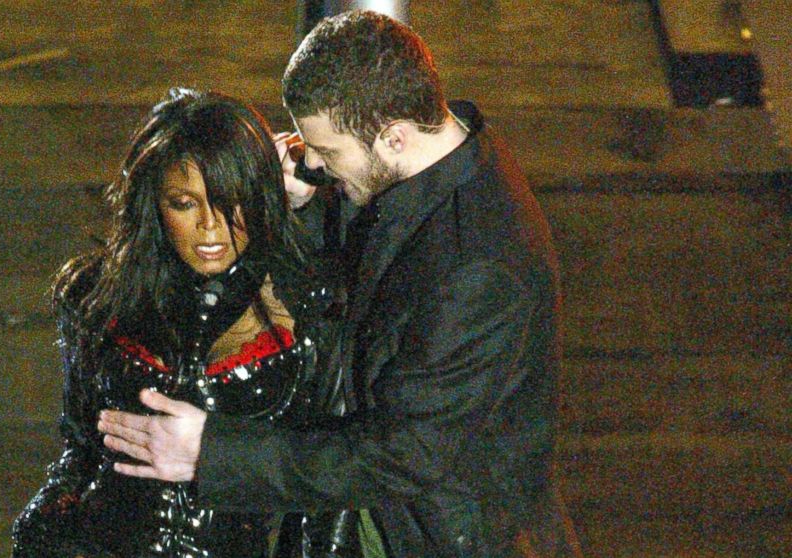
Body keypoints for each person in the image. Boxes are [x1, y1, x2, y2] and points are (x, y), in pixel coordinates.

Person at [96, 11, 583, 557]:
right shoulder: (432, 170)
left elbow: (403, 454)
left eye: (327, 152)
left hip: (436, 538)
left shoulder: (479, 267)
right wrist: (307, 206)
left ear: (393, 137)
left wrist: (211, 454)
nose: (315, 164)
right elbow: (367, 274)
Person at [12, 89, 361, 557]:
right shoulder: (94, 297)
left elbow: (329, 498)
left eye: (229, 200)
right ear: (154, 203)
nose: (211, 228)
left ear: (259, 195)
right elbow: (79, 452)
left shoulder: (313, 306)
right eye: (184, 203)